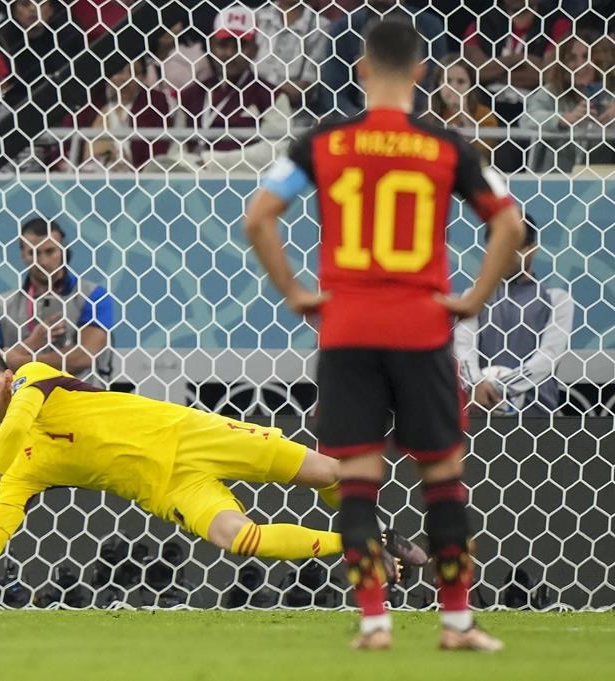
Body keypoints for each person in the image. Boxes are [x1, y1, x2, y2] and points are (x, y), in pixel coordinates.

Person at [243, 18, 524, 651]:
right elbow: (507, 225)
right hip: (422, 328)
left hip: (347, 330)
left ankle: (374, 622)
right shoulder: (446, 147)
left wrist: (295, 292)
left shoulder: (325, 142)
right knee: (445, 476)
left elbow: (259, 216)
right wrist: (474, 297)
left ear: (362, 70)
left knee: (358, 479)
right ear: (421, 72)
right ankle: (456, 623)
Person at [0, 349, 425, 586]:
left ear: (7, 376)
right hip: (168, 486)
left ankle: (373, 524)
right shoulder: (18, 468)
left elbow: (17, 423)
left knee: (332, 473)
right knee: (238, 538)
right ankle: (359, 544)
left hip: (191, 434)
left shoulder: (36, 379)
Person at [454, 216, 573, 416]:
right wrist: (476, 383)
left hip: (537, 417)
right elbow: (464, 348)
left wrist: (498, 387)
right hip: (483, 415)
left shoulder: (557, 300)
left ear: (533, 249)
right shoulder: (473, 297)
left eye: (511, 248)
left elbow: (548, 357)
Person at [0, 217, 113, 384]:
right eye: (34, 252)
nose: (43, 261)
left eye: (50, 251)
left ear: (63, 251)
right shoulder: (2, 305)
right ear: (23, 255)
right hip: (22, 403)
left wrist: (17, 361)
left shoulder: (94, 296)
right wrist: (31, 343)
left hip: (80, 401)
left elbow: (82, 358)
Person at [170, 5, 291, 172]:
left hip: (248, 186)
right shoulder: (191, 95)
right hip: (192, 185)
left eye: (240, 46)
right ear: (211, 46)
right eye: (223, 45)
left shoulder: (271, 96)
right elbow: (177, 148)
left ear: (254, 50)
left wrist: (211, 161)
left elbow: (276, 151)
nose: (230, 53)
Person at [319, 0, 446, 117]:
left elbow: (434, 86)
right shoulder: (344, 28)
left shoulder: (429, 26)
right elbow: (333, 91)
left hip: (417, 119)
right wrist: (363, 121)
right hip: (357, 119)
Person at [520, 32, 615, 172]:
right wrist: (563, 119)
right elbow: (527, 118)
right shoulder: (552, 91)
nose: (580, 65)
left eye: (587, 57)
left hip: (602, 182)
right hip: (554, 179)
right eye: (572, 59)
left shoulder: (611, 92)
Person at [425, 55, 501, 162]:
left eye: (461, 82)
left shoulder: (485, 115)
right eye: (447, 81)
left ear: (471, 86)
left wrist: (464, 112)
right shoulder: (427, 117)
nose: (454, 87)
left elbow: (483, 152)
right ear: (438, 85)